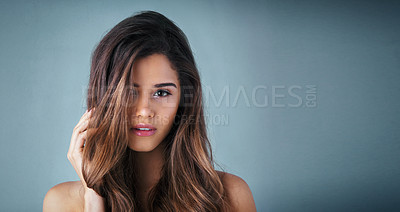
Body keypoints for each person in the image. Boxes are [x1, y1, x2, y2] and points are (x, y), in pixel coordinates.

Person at [43, 11, 256, 212]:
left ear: (184, 99)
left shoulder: (231, 196)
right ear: (104, 97)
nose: (144, 111)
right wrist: (94, 196)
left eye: (162, 93)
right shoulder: (61, 202)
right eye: (128, 93)